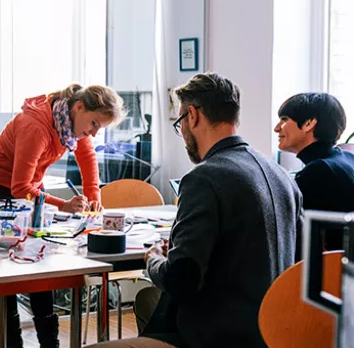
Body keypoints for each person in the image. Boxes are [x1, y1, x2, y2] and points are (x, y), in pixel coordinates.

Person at [92, 73, 303, 348]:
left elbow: (182, 281)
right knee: (148, 301)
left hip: (218, 336)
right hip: (274, 334)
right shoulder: (283, 176)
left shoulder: (204, 178)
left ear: (192, 116)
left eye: (180, 122)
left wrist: (154, 259)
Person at [0, 83, 126, 348]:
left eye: (100, 129)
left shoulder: (70, 124)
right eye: (94, 123)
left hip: (30, 186)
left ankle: (49, 343)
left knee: (39, 260)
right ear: (79, 107)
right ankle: (12, 341)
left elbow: (88, 161)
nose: (94, 133)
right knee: (10, 267)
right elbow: (18, 188)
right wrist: (63, 206)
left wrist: (94, 198)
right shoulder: (36, 127)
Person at [275, 92, 354, 250]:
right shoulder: (348, 158)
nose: (277, 128)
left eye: (284, 120)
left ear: (309, 124)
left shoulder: (317, 172)